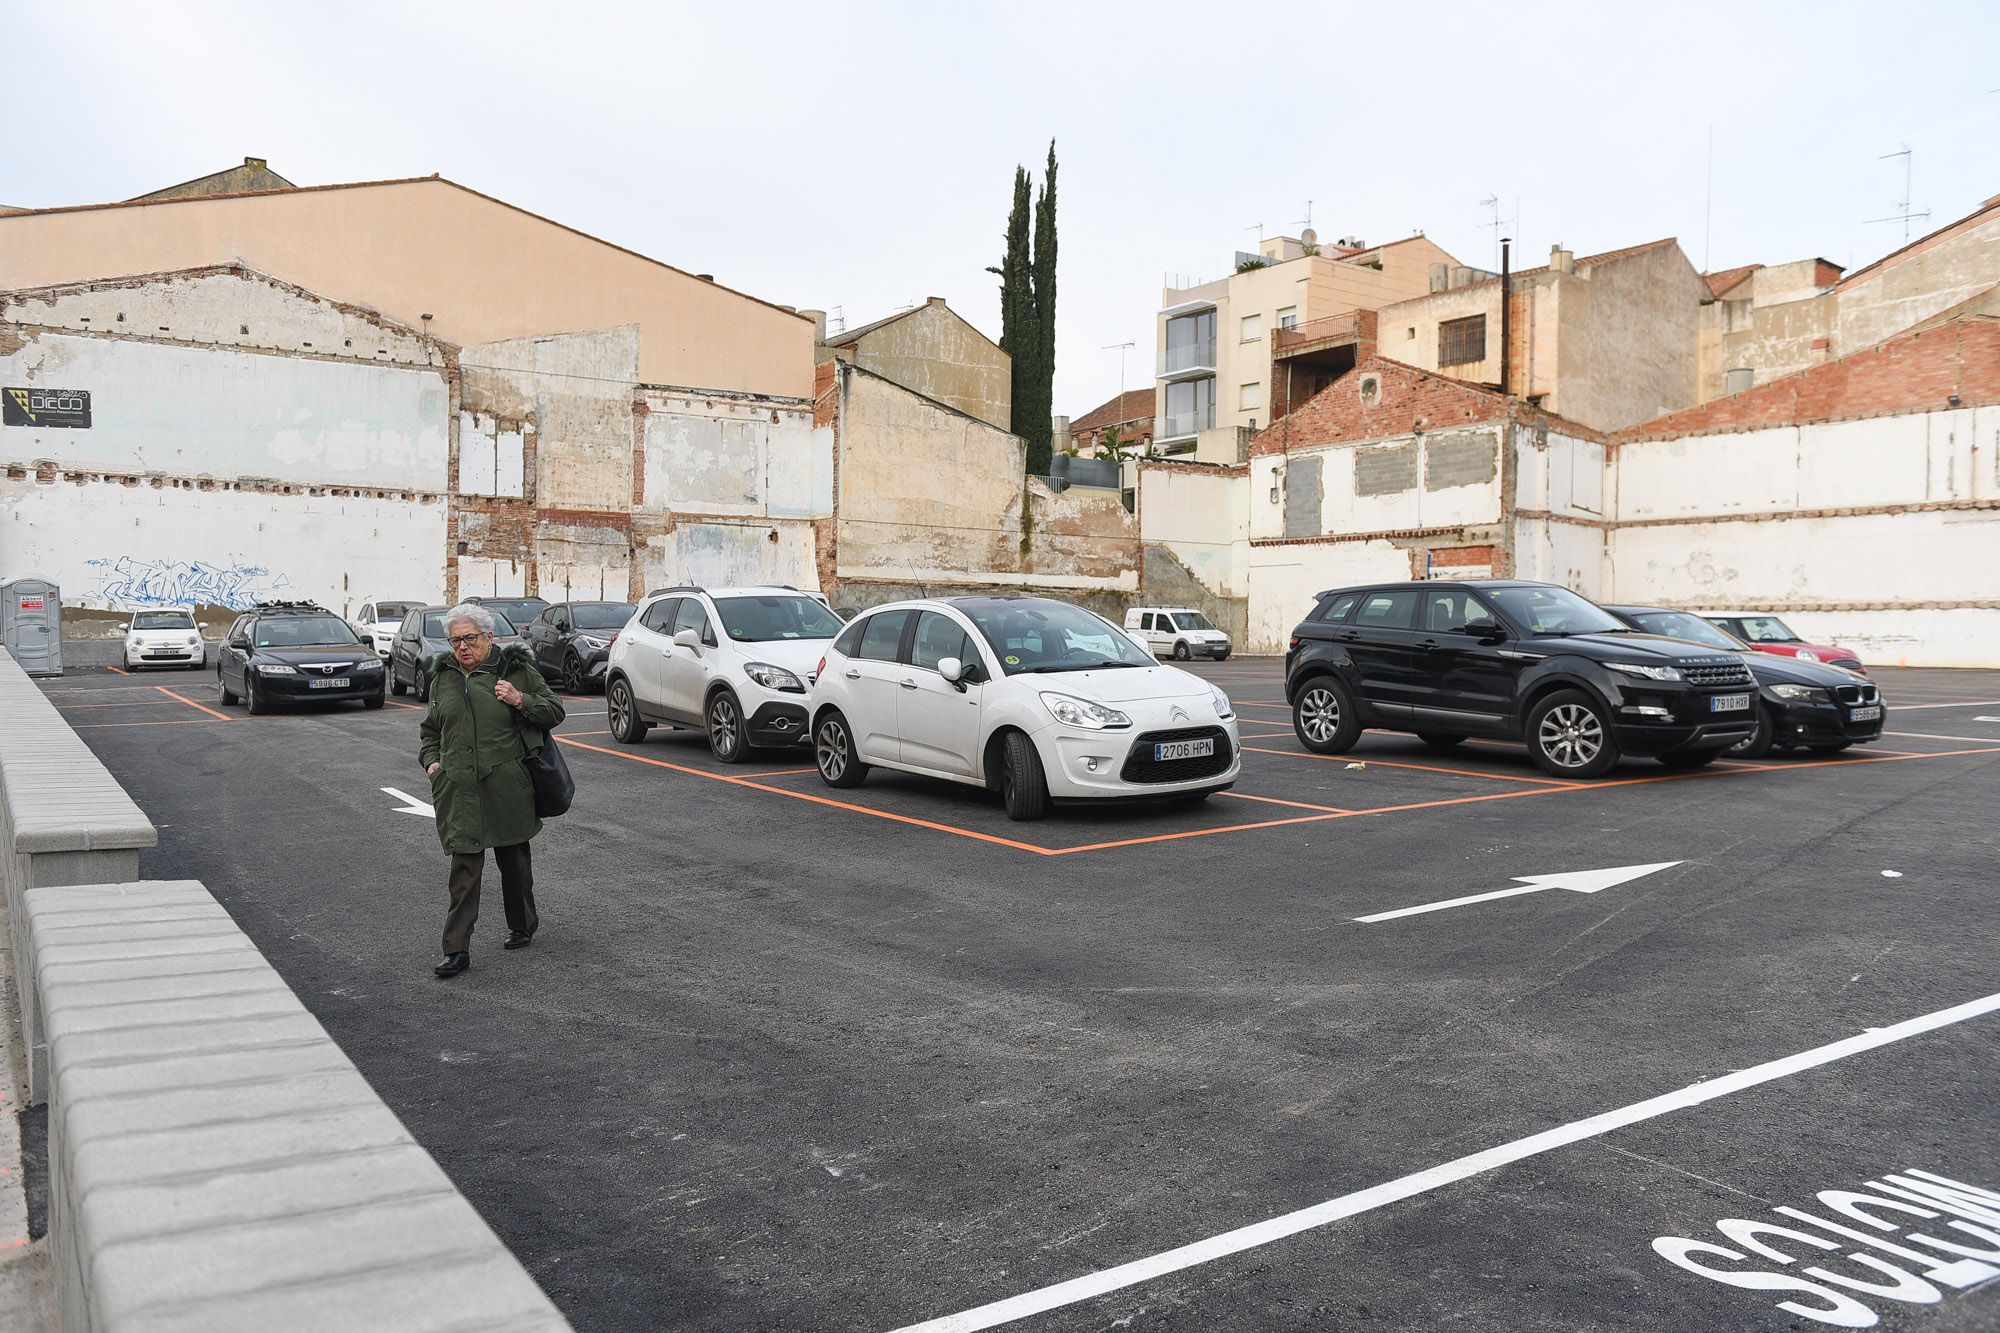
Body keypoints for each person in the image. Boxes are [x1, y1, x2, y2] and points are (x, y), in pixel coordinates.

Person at [418, 602, 566, 977]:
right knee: (464, 869)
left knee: (514, 863)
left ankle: (522, 924)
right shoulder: (444, 677)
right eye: (455, 642)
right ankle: (456, 949)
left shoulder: (515, 669)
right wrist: (432, 762)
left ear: (489, 636)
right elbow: (430, 729)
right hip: (459, 786)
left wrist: (520, 700)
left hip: (506, 783)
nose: (462, 648)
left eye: (469, 639)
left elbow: (554, 710)